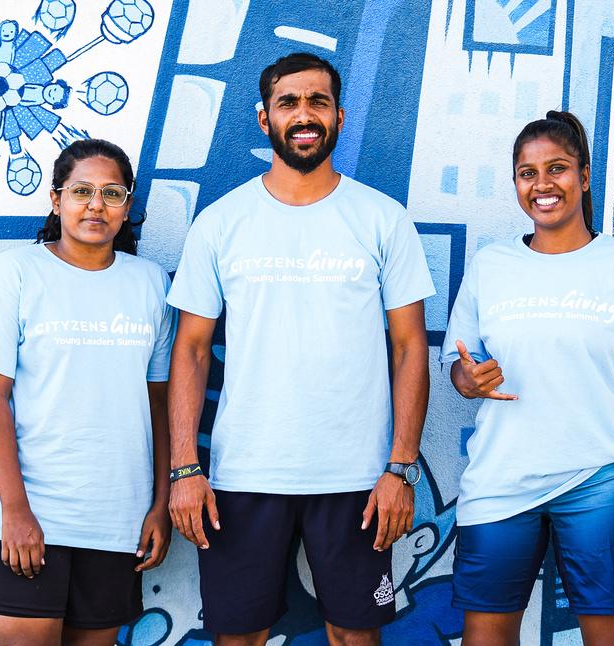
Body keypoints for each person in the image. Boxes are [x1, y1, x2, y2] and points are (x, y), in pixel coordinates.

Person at [166, 52, 435, 646]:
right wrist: (185, 468)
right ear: (265, 118)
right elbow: (190, 350)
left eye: (318, 101)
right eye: (288, 102)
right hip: (245, 473)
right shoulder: (221, 222)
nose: (304, 114)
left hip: (359, 477)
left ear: (339, 116)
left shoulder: (382, 219)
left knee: (356, 636)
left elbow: (410, 347)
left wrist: (400, 468)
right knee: (238, 636)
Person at [440, 111, 614, 646]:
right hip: (500, 480)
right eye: (527, 173)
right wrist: (469, 379)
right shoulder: (491, 265)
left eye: (556, 168)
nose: (542, 184)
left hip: (596, 478)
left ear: (583, 176)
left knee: (610, 636)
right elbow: (461, 368)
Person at [0, 139, 176, 646]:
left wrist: (160, 505)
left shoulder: (151, 284)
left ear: (127, 206)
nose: (96, 205)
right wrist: (14, 510)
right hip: (28, 517)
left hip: (116, 520)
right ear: (57, 199)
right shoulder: (15, 272)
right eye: (82, 191)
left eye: (112, 193)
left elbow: (159, 407)